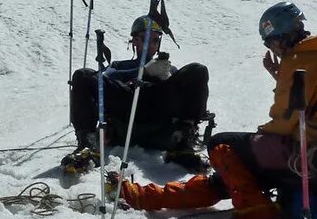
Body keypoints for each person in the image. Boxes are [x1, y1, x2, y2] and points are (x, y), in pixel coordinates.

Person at [112, 1, 317, 219]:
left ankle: (257, 213)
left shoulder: (299, 60)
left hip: (309, 152)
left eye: (271, 43)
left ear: (281, 37)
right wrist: (280, 76)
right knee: (225, 178)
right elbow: (308, 104)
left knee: (222, 146)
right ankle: (143, 197)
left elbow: (283, 121)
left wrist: (260, 136)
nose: (272, 50)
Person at [68, 14, 211, 170]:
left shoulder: (167, 68)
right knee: (83, 75)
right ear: (135, 40)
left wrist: (165, 77)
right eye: (147, 39)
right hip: (126, 105)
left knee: (198, 71)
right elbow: (106, 77)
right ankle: (87, 144)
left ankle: (183, 142)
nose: (151, 44)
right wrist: (142, 70)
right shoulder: (119, 65)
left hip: (157, 107)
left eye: (156, 40)